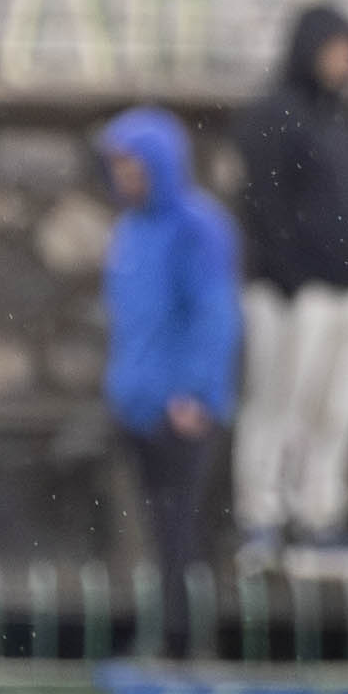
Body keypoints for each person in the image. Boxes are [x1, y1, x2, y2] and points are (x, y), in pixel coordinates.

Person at [230, 5, 348, 564]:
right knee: (278, 406)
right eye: (338, 50)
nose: (346, 64)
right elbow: (263, 204)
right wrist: (289, 278)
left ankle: (320, 515)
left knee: (337, 412)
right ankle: (262, 517)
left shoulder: (341, 120)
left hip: (346, 291)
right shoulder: (273, 115)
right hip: (291, 294)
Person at [94, 108, 240, 653]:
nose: (126, 178)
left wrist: (197, 394)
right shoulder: (130, 231)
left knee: (183, 530)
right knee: (150, 531)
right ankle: (156, 632)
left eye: (134, 168)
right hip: (136, 403)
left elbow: (215, 315)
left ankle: (185, 642)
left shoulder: (198, 228)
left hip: (180, 409)